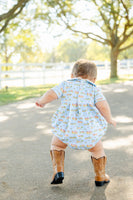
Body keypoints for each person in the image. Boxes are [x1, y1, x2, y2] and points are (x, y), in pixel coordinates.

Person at [35, 59, 116, 187]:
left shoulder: (66, 84)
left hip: (66, 129)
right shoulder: (94, 89)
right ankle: (100, 176)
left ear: (72, 75)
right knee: (97, 150)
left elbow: (51, 93)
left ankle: (58, 171)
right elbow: (103, 106)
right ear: (94, 79)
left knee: (57, 145)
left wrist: (42, 101)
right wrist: (109, 118)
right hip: (88, 131)